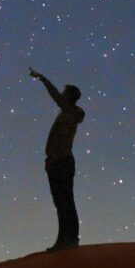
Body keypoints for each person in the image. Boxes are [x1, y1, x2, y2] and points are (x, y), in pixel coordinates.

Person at [29, 68, 85, 252]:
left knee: (65, 201)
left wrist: (43, 79)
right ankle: (65, 239)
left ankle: (70, 239)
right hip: (56, 162)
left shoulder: (69, 111)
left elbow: (55, 96)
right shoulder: (69, 112)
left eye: (64, 93)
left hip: (61, 161)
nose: (61, 94)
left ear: (68, 97)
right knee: (61, 202)